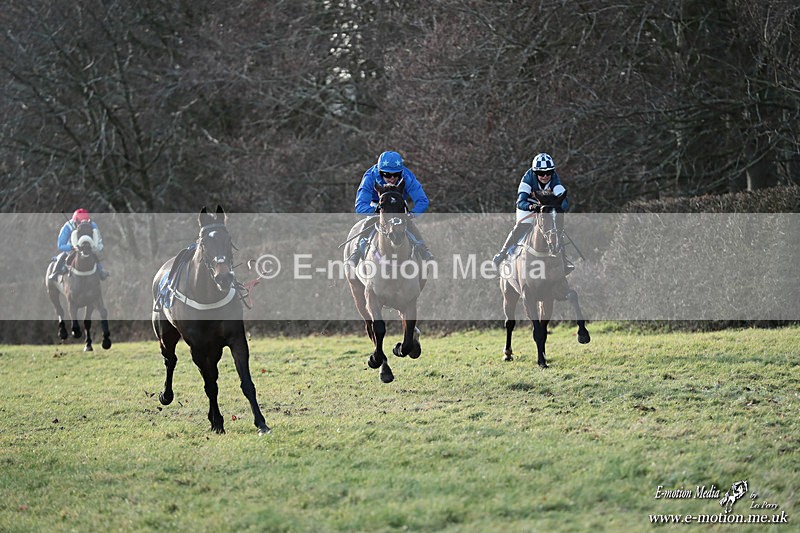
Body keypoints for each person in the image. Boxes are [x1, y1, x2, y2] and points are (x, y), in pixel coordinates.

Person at [492, 152, 574, 274]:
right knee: (523, 225)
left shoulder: (555, 178)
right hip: (529, 206)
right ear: (535, 173)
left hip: (546, 206)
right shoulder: (528, 178)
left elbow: (565, 201)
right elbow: (520, 202)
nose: (545, 176)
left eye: (549, 172)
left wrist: (554, 207)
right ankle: (502, 253)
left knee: (555, 229)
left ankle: (564, 260)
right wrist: (531, 206)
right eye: (541, 173)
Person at [348, 150, 434, 267]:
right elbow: (360, 205)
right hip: (377, 204)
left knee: (407, 222)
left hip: (397, 202)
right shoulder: (370, 177)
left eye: (396, 174)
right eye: (387, 174)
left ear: (401, 172)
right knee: (369, 221)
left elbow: (422, 200)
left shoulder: (407, 177)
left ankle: (423, 248)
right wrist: (375, 212)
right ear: (380, 172)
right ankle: (357, 250)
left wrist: (412, 214)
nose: (392, 178)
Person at [49, 208, 109, 281]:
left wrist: (96, 247)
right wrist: (71, 247)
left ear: (88, 221)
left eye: (86, 223)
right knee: (63, 256)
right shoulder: (68, 226)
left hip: (88, 248)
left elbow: (99, 241)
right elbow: (60, 245)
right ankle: (55, 272)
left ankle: (101, 271)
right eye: (80, 223)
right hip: (71, 248)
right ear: (75, 221)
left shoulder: (92, 225)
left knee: (95, 257)